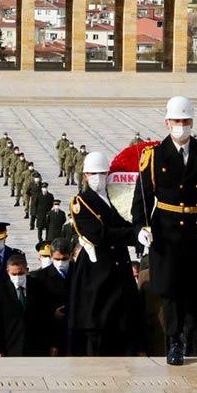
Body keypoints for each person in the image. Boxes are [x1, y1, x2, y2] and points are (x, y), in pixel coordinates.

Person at [133, 97, 197, 365]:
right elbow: (141, 200)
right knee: (170, 291)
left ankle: (191, 337)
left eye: (185, 121)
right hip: (166, 232)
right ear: (167, 122)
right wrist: (140, 228)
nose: (181, 126)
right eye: (176, 121)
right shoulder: (153, 157)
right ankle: (174, 341)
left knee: (196, 291)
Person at [74, 152, 140, 356]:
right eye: (93, 173)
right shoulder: (81, 202)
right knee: (98, 322)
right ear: (85, 175)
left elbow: (125, 225)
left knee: (122, 320)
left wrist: (140, 231)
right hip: (98, 270)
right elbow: (97, 234)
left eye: (102, 173)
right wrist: (131, 233)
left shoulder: (115, 198)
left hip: (119, 265)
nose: (98, 178)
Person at [0, 253, 50, 357]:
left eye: (21, 273)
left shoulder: (39, 287)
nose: (17, 277)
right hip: (11, 347)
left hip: (37, 348)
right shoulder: (0, 291)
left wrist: (52, 344)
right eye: (14, 274)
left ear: (27, 270)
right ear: (8, 272)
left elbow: (47, 317)